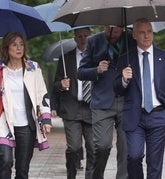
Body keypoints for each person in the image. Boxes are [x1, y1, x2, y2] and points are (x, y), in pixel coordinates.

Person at [114, 18, 165, 179]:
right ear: (134, 35)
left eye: (149, 32)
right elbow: (117, 89)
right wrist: (124, 79)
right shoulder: (125, 58)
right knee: (134, 156)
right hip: (135, 117)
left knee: (154, 162)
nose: (146, 36)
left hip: (159, 116)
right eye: (142, 32)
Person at [77, 25, 136, 179]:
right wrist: (96, 70)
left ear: (122, 28)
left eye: (116, 30)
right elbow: (80, 72)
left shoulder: (131, 39)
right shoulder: (93, 41)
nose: (113, 34)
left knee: (125, 149)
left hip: (126, 100)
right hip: (102, 102)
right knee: (102, 146)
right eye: (110, 30)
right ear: (104, 26)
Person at [0, 31, 52, 179]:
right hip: (3, 123)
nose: (19, 48)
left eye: (21, 44)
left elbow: (42, 94)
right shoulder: (1, 70)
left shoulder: (33, 68)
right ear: (6, 48)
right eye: (14, 44)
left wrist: (46, 119)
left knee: (22, 169)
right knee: (5, 161)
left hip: (26, 125)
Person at [53, 27, 94, 179]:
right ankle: (71, 174)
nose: (83, 39)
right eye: (80, 36)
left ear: (91, 37)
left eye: (86, 36)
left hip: (92, 109)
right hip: (72, 109)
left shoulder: (97, 57)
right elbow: (55, 84)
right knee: (74, 147)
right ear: (75, 38)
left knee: (93, 147)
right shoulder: (66, 58)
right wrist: (61, 84)